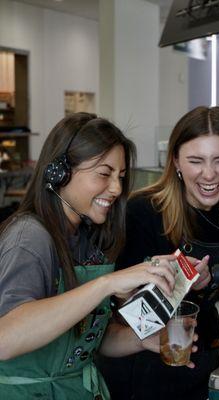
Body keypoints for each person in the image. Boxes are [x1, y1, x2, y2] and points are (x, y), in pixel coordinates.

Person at [0, 111, 197, 400]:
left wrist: (142, 340)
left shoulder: (84, 237)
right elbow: (6, 339)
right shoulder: (30, 236)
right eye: (104, 174)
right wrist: (107, 284)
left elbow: (85, 340)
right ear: (60, 173)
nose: (117, 189)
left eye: (120, 177)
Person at [98, 106, 219, 400]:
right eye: (196, 161)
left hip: (205, 361)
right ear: (175, 160)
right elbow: (119, 317)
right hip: (141, 372)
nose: (209, 174)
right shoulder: (141, 212)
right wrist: (178, 283)